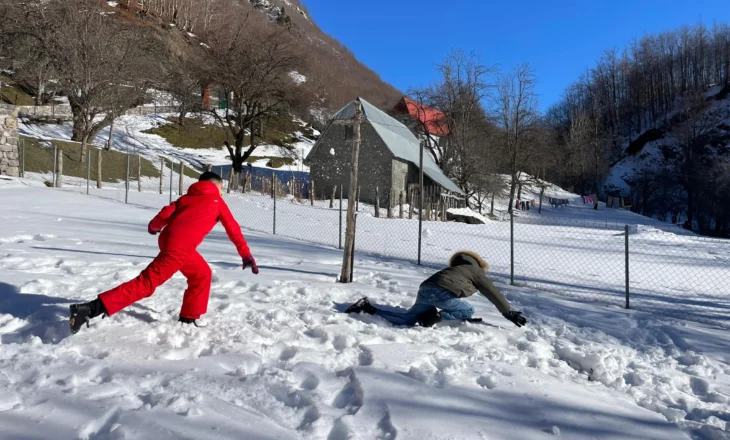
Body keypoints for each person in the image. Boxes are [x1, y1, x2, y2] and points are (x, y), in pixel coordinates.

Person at [69, 172, 259, 334]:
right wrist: (245, 254)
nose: (222, 192)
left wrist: (154, 227)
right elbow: (233, 230)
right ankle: (90, 309)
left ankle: (188, 319)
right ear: (215, 185)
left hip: (170, 241)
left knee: (201, 274)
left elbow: (165, 213)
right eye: (221, 188)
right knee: (146, 283)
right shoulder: (217, 202)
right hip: (180, 248)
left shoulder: (185, 198)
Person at [344, 251, 527, 328]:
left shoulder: (455, 269)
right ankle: (433, 318)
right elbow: (491, 291)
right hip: (440, 292)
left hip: (425, 289)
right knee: (468, 310)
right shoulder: (476, 271)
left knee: (407, 320)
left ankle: (367, 308)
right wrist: (507, 312)